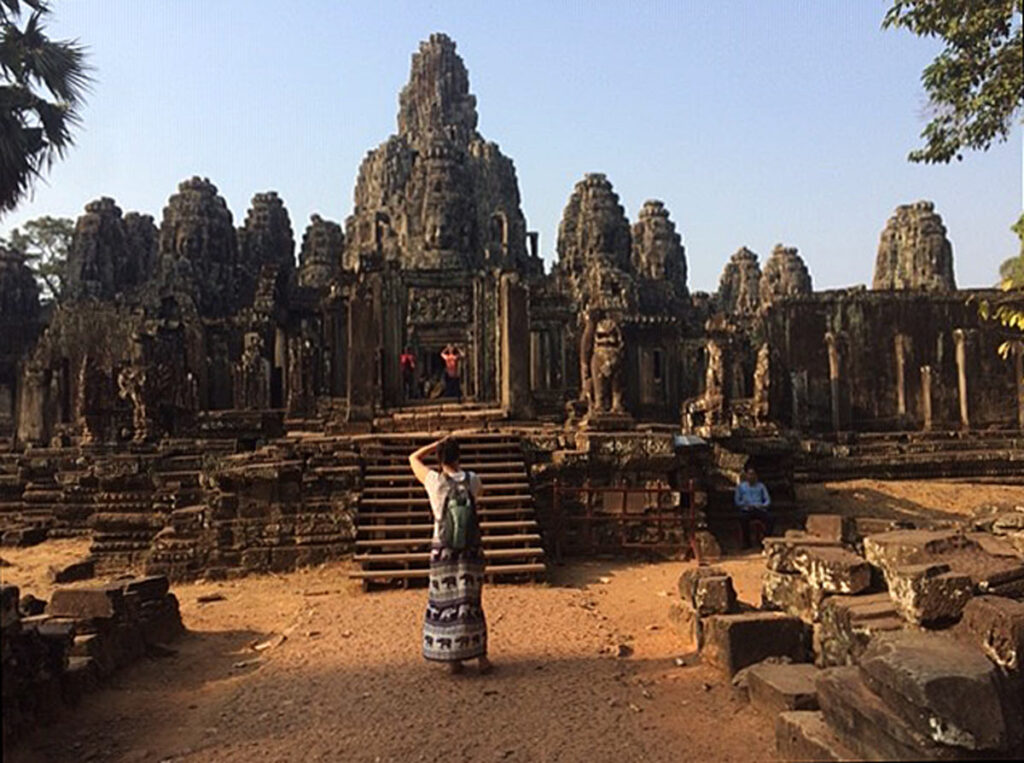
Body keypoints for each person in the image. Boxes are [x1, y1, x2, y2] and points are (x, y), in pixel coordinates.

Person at [408, 436, 492, 675]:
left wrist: (435, 446)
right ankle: (480, 657)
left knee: (445, 602)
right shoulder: (473, 480)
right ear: (460, 456)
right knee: (470, 601)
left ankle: (452, 659)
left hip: (443, 547)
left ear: (439, 458)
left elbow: (412, 458)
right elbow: (479, 496)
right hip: (470, 548)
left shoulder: (434, 481)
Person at [734, 465, 774, 548]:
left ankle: (766, 540)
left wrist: (762, 505)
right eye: (749, 474)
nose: (751, 476)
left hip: (759, 509)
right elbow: (737, 501)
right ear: (746, 475)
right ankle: (746, 543)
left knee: (770, 518)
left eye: (753, 474)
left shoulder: (761, 486)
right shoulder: (741, 487)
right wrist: (745, 505)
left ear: (756, 475)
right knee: (743, 519)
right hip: (747, 509)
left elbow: (768, 500)